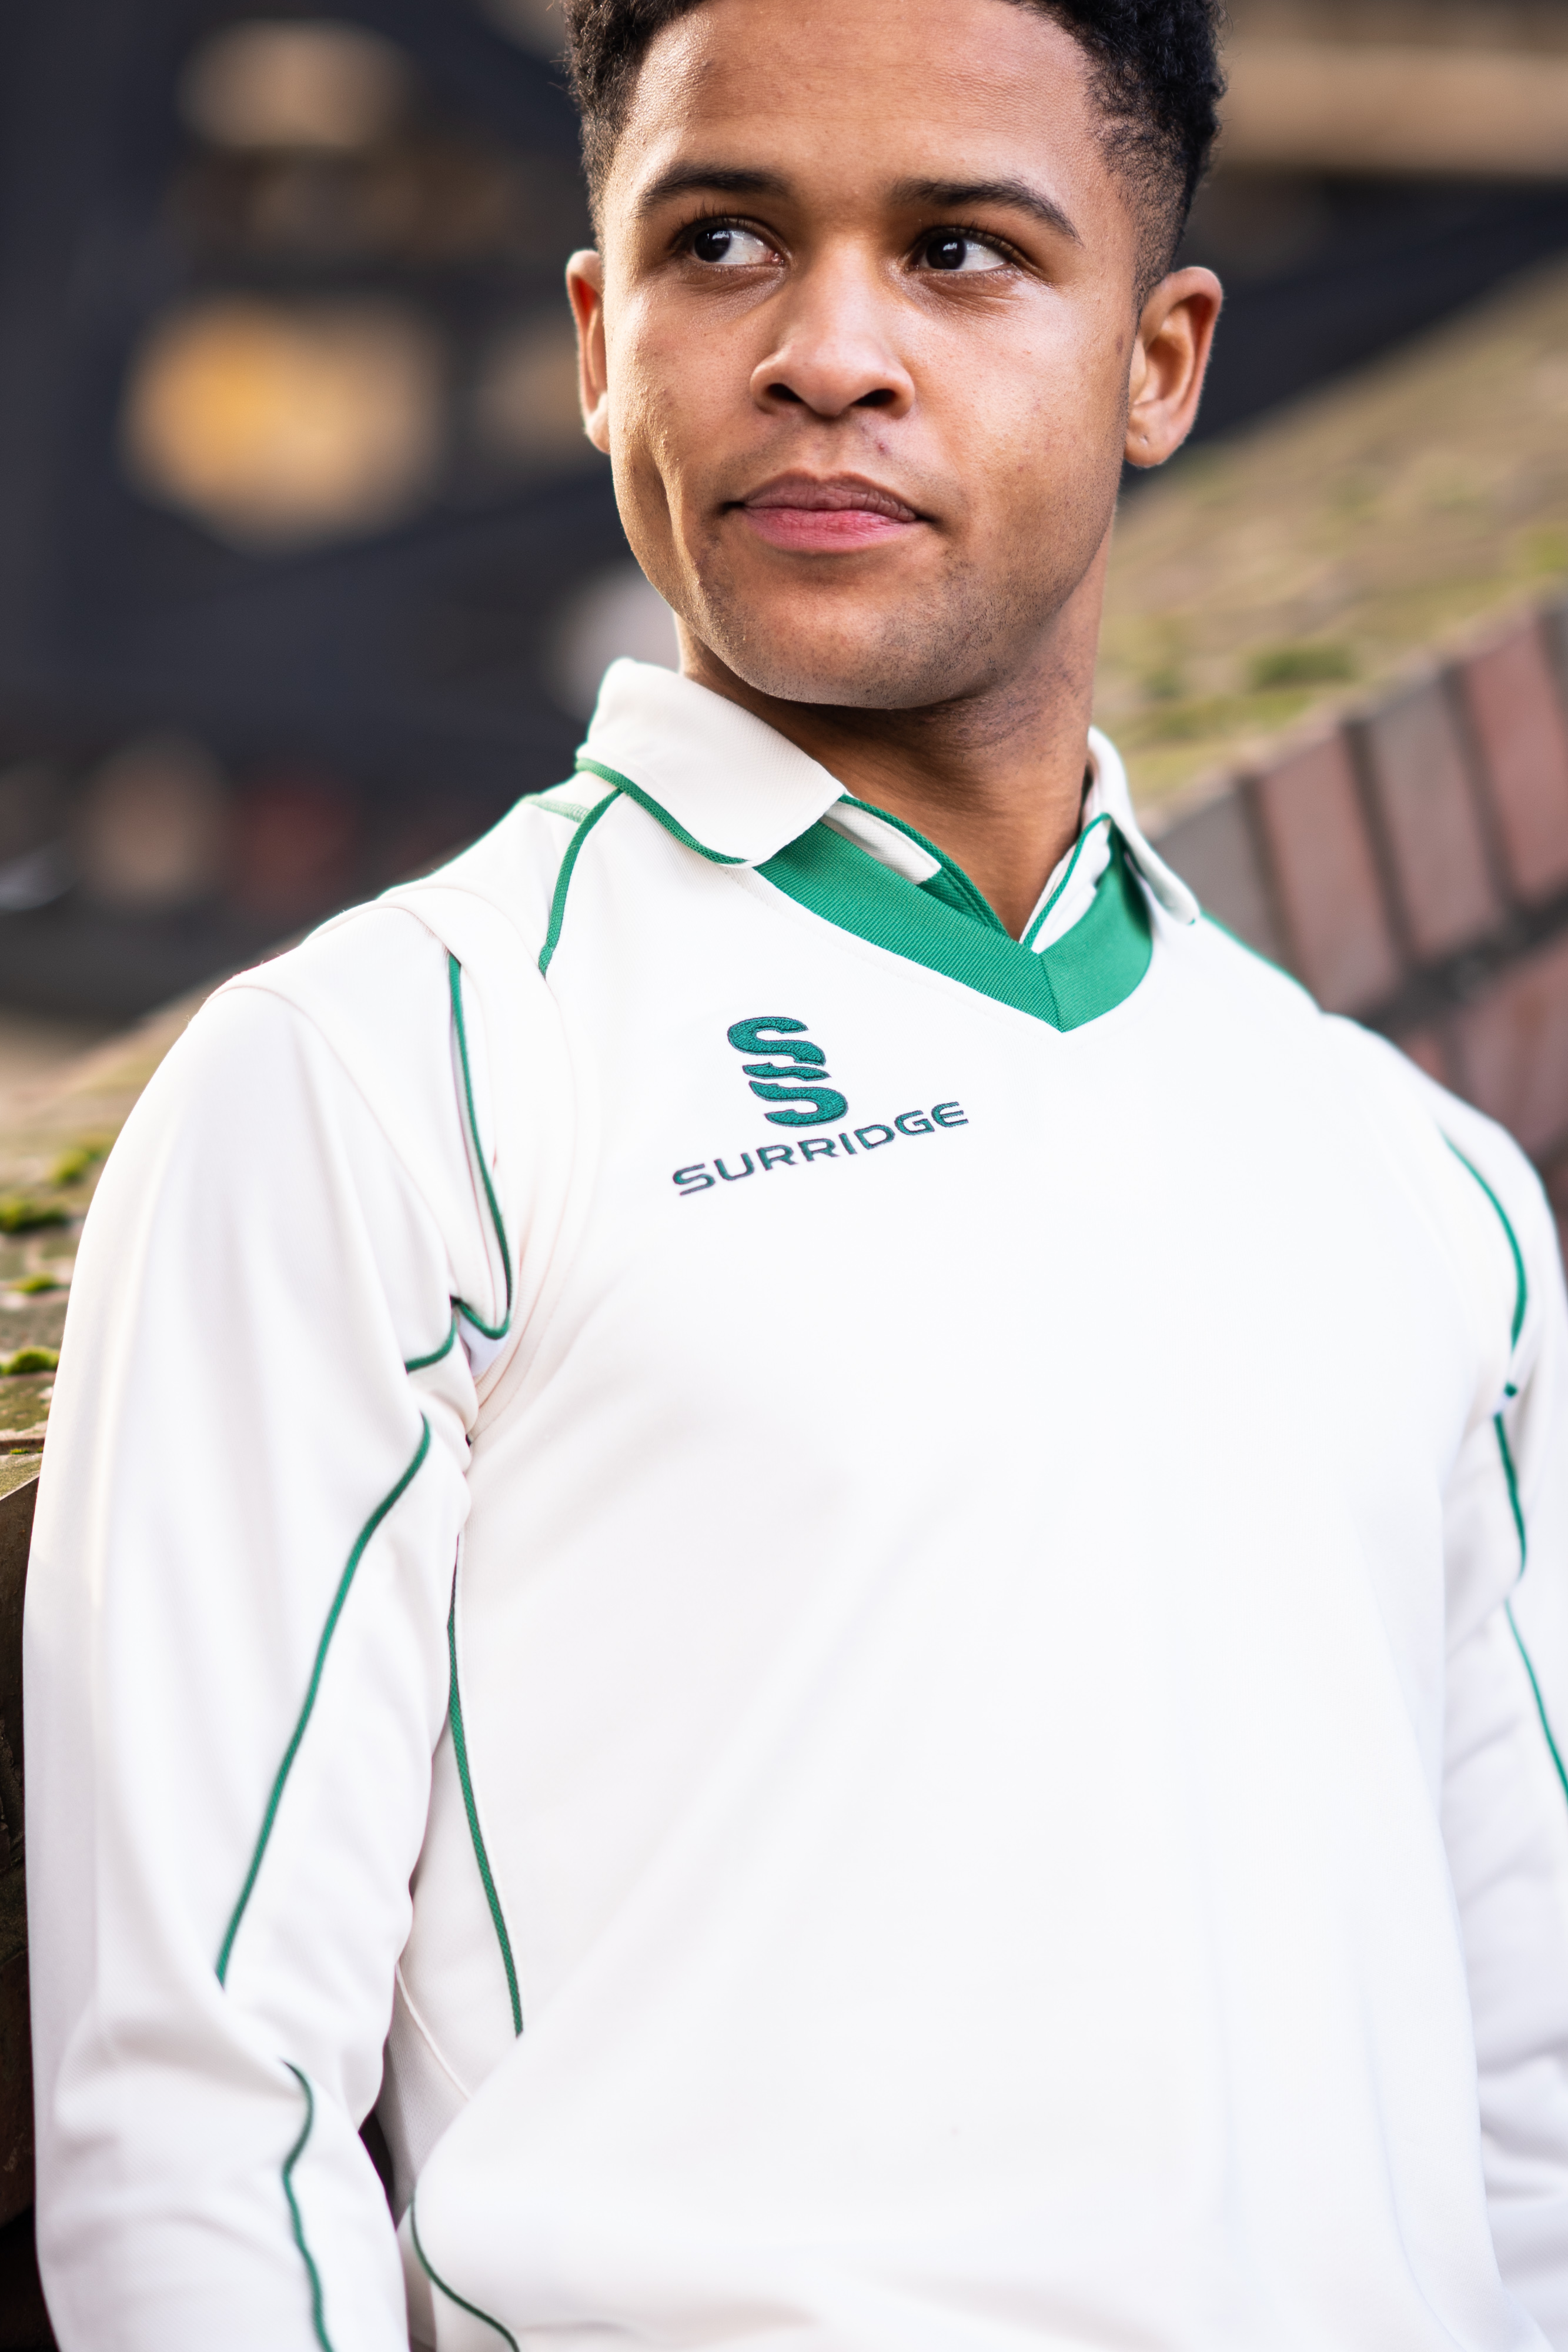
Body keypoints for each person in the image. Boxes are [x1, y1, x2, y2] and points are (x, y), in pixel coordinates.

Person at [24, 0, 1568, 2343]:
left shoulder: (1413, 1177)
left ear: (1157, 363)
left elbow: (1522, 2097)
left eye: (959, 253)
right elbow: (191, 2126)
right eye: (724, 241)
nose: (826, 352)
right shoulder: (386, 1071)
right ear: (597, 339)